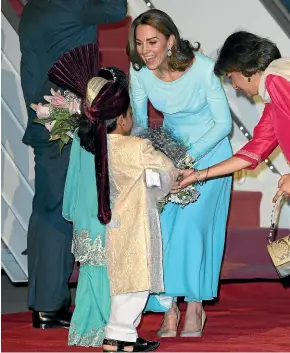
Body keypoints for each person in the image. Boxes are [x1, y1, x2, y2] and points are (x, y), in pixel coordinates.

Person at [47, 42, 179, 350]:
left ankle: (117, 337)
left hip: (108, 223)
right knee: (133, 285)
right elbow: (166, 171)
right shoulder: (134, 147)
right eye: (131, 112)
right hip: (132, 226)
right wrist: (164, 181)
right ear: (120, 119)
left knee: (122, 285)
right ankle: (118, 335)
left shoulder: (94, 143)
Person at [19, 0, 127, 328]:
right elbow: (116, 8)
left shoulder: (35, 7)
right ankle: (49, 306)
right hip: (62, 123)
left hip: (46, 120)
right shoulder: (71, 5)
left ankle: (46, 302)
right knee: (58, 214)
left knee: (48, 210)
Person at [127, 9, 233, 337]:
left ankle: (196, 307)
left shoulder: (202, 69)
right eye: (140, 42)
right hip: (170, 156)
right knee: (163, 230)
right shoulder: (140, 73)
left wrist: (186, 159)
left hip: (210, 157)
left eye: (153, 42)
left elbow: (224, 125)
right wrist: (153, 160)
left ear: (170, 41)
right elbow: (142, 126)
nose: (145, 50)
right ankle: (169, 308)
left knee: (190, 230)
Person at [179, 31, 290, 203]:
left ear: (241, 68)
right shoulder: (274, 91)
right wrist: (197, 175)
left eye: (231, 78)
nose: (235, 87)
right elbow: (255, 150)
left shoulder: (275, 80)